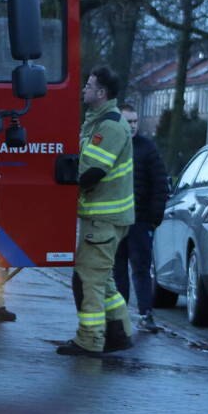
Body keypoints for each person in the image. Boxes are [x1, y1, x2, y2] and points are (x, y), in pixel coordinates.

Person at [57, 66, 136, 356]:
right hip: (104, 218)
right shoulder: (99, 122)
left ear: (101, 93)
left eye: (88, 85)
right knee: (103, 280)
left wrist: (65, 187)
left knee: (88, 279)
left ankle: (90, 339)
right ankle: (120, 332)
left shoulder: (110, 126)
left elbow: (91, 171)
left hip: (104, 219)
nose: (83, 89)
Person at [112, 104, 169, 333]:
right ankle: (121, 314)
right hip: (117, 220)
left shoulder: (147, 148)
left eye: (135, 121)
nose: (133, 126)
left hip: (140, 220)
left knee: (140, 269)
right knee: (118, 270)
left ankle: (145, 314)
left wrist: (153, 218)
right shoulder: (114, 146)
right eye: (128, 121)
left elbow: (159, 184)